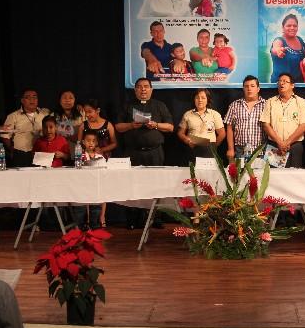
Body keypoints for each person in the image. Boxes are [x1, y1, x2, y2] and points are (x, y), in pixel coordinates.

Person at [116, 77, 174, 229]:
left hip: (154, 153)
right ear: (135, 90)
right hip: (132, 153)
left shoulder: (159, 106)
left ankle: (156, 218)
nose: (143, 89)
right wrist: (131, 125)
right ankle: (132, 219)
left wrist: (155, 125)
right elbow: (118, 127)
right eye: (140, 87)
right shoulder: (127, 106)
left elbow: (170, 127)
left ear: (151, 89)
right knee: (132, 185)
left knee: (156, 185)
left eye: (146, 87)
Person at [78, 99, 117, 228]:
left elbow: (114, 143)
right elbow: (79, 144)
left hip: (103, 160)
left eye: (90, 112)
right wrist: (85, 155)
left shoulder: (107, 124)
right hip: (87, 161)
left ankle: (102, 217)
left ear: (98, 111)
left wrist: (102, 150)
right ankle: (89, 218)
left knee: (102, 189)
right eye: (85, 112)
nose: (88, 115)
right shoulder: (83, 126)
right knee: (88, 190)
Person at [259, 73, 305, 168]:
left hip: (295, 145)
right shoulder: (270, 101)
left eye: (285, 81)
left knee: (294, 178)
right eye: (279, 81)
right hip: (274, 145)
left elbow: (303, 126)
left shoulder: (301, 102)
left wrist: (287, 142)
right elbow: (266, 125)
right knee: (272, 178)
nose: (281, 84)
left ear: (292, 85)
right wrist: (279, 142)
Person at [1, 88, 50, 167]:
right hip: (21, 154)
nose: (32, 100)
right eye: (28, 97)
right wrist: (12, 149)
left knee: (41, 177)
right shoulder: (13, 116)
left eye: (34, 97)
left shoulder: (45, 114)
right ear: (22, 100)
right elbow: (5, 136)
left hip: (41, 153)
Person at [224, 75, 267, 162]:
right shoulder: (235, 105)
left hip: (260, 150)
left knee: (259, 175)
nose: (249, 89)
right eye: (246, 86)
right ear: (243, 89)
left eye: (252, 86)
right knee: (240, 175)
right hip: (240, 150)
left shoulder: (266, 105)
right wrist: (231, 149)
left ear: (258, 89)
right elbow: (229, 128)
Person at [177, 89, 225, 161]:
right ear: (194, 99)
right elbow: (180, 133)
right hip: (193, 149)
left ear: (207, 100)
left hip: (210, 150)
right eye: (197, 97)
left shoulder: (215, 114)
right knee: (193, 171)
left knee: (209, 172)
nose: (200, 100)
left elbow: (222, 134)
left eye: (203, 98)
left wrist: (213, 146)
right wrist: (186, 139)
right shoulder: (188, 114)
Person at [270, 14, 305, 83]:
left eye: (295, 26)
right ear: (283, 27)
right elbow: (275, 48)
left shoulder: (300, 40)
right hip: (280, 85)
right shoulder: (279, 40)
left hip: (299, 84)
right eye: (288, 25)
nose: (292, 28)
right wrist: (278, 51)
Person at [51, 89, 85, 160]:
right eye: (64, 98)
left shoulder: (82, 114)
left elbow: (88, 131)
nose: (67, 100)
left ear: (75, 100)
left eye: (70, 98)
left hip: (79, 154)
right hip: (60, 154)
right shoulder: (53, 116)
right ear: (60, 101)